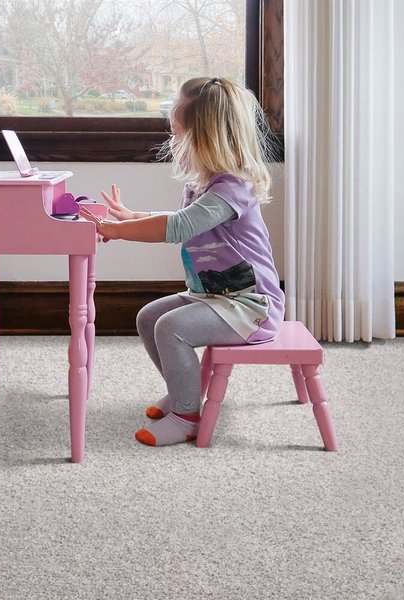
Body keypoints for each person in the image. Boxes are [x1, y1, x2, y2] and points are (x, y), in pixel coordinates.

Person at [79, 77, 284, 447]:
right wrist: (131, 216)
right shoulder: (203, 186)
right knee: (149, 318)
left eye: (177, 134)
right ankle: (182, 393)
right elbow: (182, 219)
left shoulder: (231, 189)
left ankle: (187, 416)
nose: (171, 143)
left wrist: (120, 231)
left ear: (206, 140)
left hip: (250, 307)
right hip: (216, 297)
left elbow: (179, 226)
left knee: (171, 328)